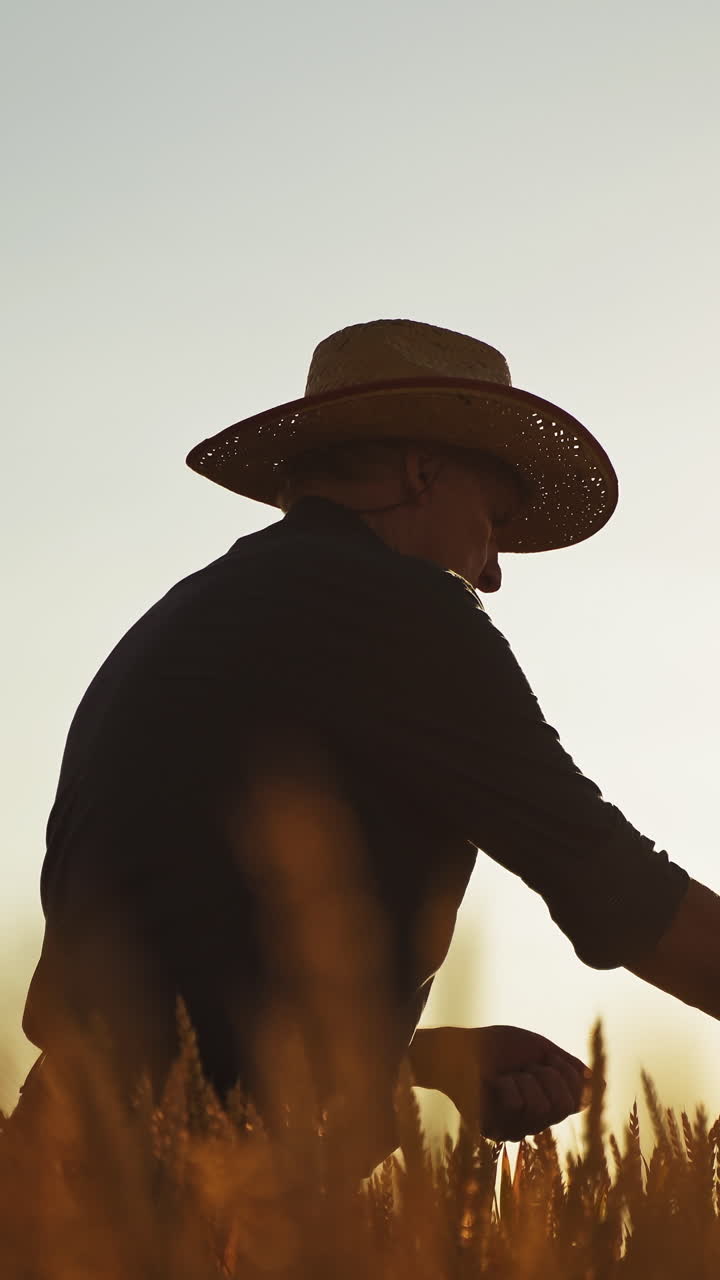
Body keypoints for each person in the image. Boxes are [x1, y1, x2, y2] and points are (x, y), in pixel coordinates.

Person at [17, 318, 717, 1171]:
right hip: (187, 1206)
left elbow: (187, 989)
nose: (493, 570)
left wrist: (432, 1058)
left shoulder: (191, 618)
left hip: (62, 1177)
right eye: (492, 520)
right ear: (425, 471)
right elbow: (614, 887)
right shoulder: (399, 615)